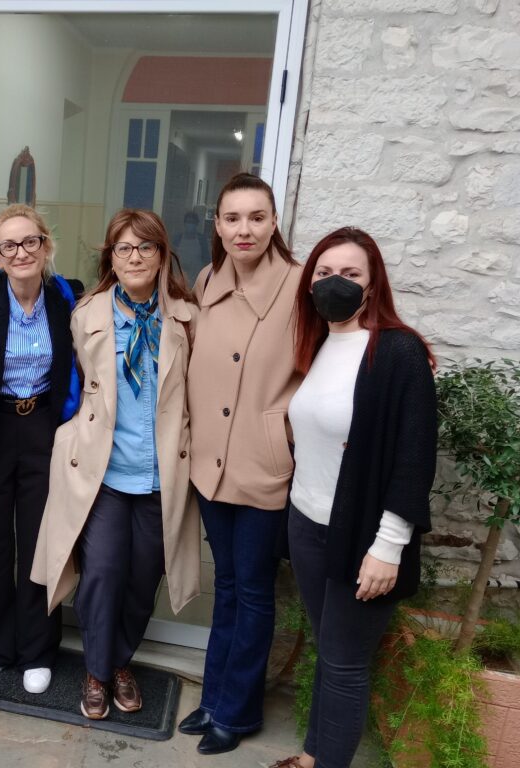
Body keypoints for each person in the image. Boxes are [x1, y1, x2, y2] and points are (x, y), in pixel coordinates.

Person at [269, 228, 436, 768]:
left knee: (344, 666)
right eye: (323, 273)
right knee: (329, 652)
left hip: (362, 537)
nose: (334, 283)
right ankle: (312, 757)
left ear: (372, 284)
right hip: (307, 524)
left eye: (350, 274)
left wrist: (388, 547)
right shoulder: (320, 344)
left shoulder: (397, 352)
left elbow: (414, 460)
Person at [31, 209, 200, 720]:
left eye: (145, 247)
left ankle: (121, 661)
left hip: (159, 475)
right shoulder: (87, 314)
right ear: (111, 257)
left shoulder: (186, 317)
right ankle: (97, 670)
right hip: (102, 472)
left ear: (162, 254)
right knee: (102, 572)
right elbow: (67, 382)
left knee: (143, 578)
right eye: (123, 248)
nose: (135, 257)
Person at [180, 172, 303, 754]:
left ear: (274, 221)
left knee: (253, 590)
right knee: (225, 584)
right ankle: (214, 698)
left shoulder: (301, 286)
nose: (244, 229)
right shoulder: (207, 280)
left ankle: (239, 710)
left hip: (262, 463)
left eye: (256, 217)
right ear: (218, 224)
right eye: (232, 218)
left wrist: (284, 431)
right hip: (211, 463)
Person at [0, 205, 81, 694]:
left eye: (31, 241)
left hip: (44, 427)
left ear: (46, 245)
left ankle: (36, 650)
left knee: (38, 541)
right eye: (9, 245)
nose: (21, 252)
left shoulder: (66, 297)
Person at [172, 210, 210, 287]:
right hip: (180, 277)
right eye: (188, 222)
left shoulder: (202, 239)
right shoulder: (178, 239)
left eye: (193, 222)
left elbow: (207, 260)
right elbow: (172, 258)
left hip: (197, 278)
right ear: (184, 223)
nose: (190, 224)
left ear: (196, 224)